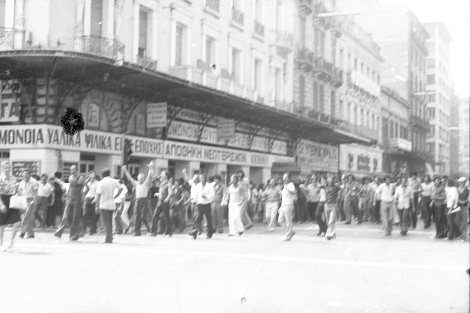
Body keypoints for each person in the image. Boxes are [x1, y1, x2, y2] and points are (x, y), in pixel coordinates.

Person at [54, 165, 85, 241]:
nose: (72, 171)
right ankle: (59, 232)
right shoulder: (70, 177)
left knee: (75, 217)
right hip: (70, 198)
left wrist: (82, 197)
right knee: (66, 216)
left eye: (74, 170)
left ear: (77, 170)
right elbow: (70, 188)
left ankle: (73, 235)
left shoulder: (81, 178)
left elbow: (83, 187)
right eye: (71, 170)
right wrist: (67, 196)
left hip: (77, 199)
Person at [122, 162, 154, 236]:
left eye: (142, 178)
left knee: (143, 217)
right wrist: (125, 170)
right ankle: (137, 232)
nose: (141, 179)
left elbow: (149, 176)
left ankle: (149, 230)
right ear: (138, 178)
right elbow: (129, 177)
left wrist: (150, 168)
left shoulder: (145, 183)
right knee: (137, 217)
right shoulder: (136, 183)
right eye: (140, 178)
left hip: (144, 201)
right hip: (137, 201)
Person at [183, 170, 215, 239]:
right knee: (197, 218)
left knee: (209, 220)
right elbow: (195, 195)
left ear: (205, 179)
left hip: (207, 204)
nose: (202, 179)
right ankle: (194, 233)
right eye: (201, 178)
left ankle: (209, 233)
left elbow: (212, 195)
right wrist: (190, 199)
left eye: (203, 178)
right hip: (199, 204)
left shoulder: (209, 186)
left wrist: (206, 196)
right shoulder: (198, 186)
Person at [94, 168, 123, 243]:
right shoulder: (113, 181)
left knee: (105, 223)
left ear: (102, 174)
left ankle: (108, 238)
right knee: (110, 222)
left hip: (103, 204)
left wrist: (96, 206)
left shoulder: (101, 182)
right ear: (109, 173)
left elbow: (98, 195)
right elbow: (121, 189)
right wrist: (116, 196)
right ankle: (110, 237)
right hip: (111, 203)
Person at [0, 161, 21, 251]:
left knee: (17, 221)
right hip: (3, 199)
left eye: (9, 167)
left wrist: (18, 192)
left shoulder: (14, 178)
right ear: (2, 168)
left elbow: (16, 190)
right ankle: (1, 244)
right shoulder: (1, 178)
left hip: (12, 200)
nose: (8, 169)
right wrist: (1, 205)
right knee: (2, 224)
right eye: (6, 167)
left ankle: (11, 242)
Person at [150, 170, 172, 237]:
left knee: (166, 217)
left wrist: (167, 198)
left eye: (162, 174)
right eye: (161, 174)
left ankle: (168, 233)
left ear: (166, 176)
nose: (161, 175)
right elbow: (154, 176)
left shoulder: (169, 183)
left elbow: (170, 192)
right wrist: (158, 194)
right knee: (155, 216)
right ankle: (153, 232)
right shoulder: (161, 183)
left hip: (165, 202)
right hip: (159, 202)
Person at [18, 169, 38, 239]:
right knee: (26, 217)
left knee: (26, 216)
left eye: (26, 174)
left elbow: (36, 192)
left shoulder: (34, 182)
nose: (25, 175)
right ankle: (30, 234)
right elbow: (20, 191)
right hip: (23, 200)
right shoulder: (22, 182)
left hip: (31, 200)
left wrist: (34, 201)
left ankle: (22, 232)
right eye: (24, 174)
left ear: (30, 175)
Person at [278, 172, 296, 241]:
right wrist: (281, 206)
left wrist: (287, 189)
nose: (284, 179)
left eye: (286, 177)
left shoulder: (291, 185)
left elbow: (294, 192)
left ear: (289, 178)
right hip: (283, 205)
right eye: (283, 177)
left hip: (288, 205)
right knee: (280, 220)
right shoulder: (284, 185)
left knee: (288, 221)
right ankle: (290, 232)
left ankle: (288, 236)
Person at [324, 175, 340, 240]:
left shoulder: (336, 187)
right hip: (327, 205)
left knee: (331, 220)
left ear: (334, 181)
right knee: (328, 221)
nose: (331, 181)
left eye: (332, 180)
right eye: (329, 180)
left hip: (333, 205)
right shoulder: (326, 187)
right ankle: (333, 233)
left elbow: (342, 187)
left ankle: (329, 234)